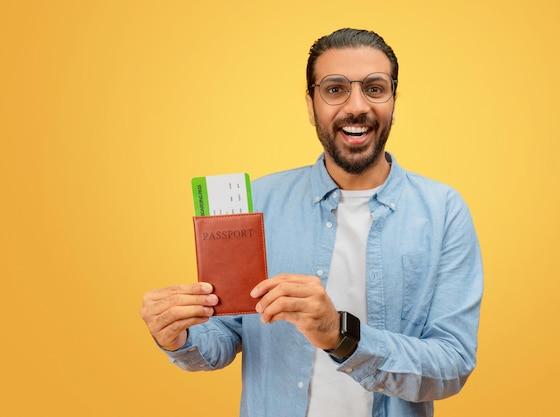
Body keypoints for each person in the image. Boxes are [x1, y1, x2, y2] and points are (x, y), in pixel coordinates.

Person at [140, 28, 483, 417]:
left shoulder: (443, 211)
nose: (357, 106)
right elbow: (223, 337)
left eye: (374, 88)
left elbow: (452, 366)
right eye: (335, 89)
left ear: (393, 101)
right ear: (310, 105)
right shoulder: (258, 202)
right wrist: (177, 336)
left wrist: (341, 336)